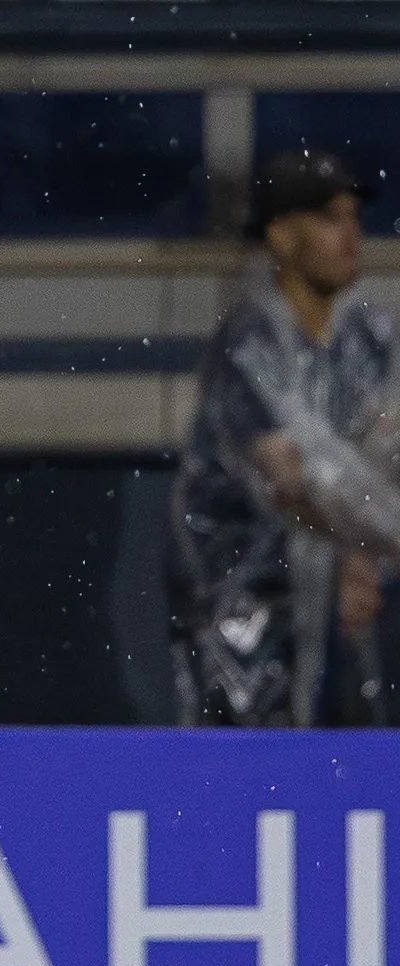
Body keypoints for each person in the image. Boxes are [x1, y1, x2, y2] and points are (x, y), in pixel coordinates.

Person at [171, 149, 400, 727]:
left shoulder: (367, 335)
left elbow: (380, 456)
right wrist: (370, 542)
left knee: (355, 746)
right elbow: (293, 480)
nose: (351, 236)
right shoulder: (247, 342)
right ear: (280, 236)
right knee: (249, 753)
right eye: (329, 219)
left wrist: (365, 560)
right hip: (245, 590)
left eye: (353, 218)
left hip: (342, 587)